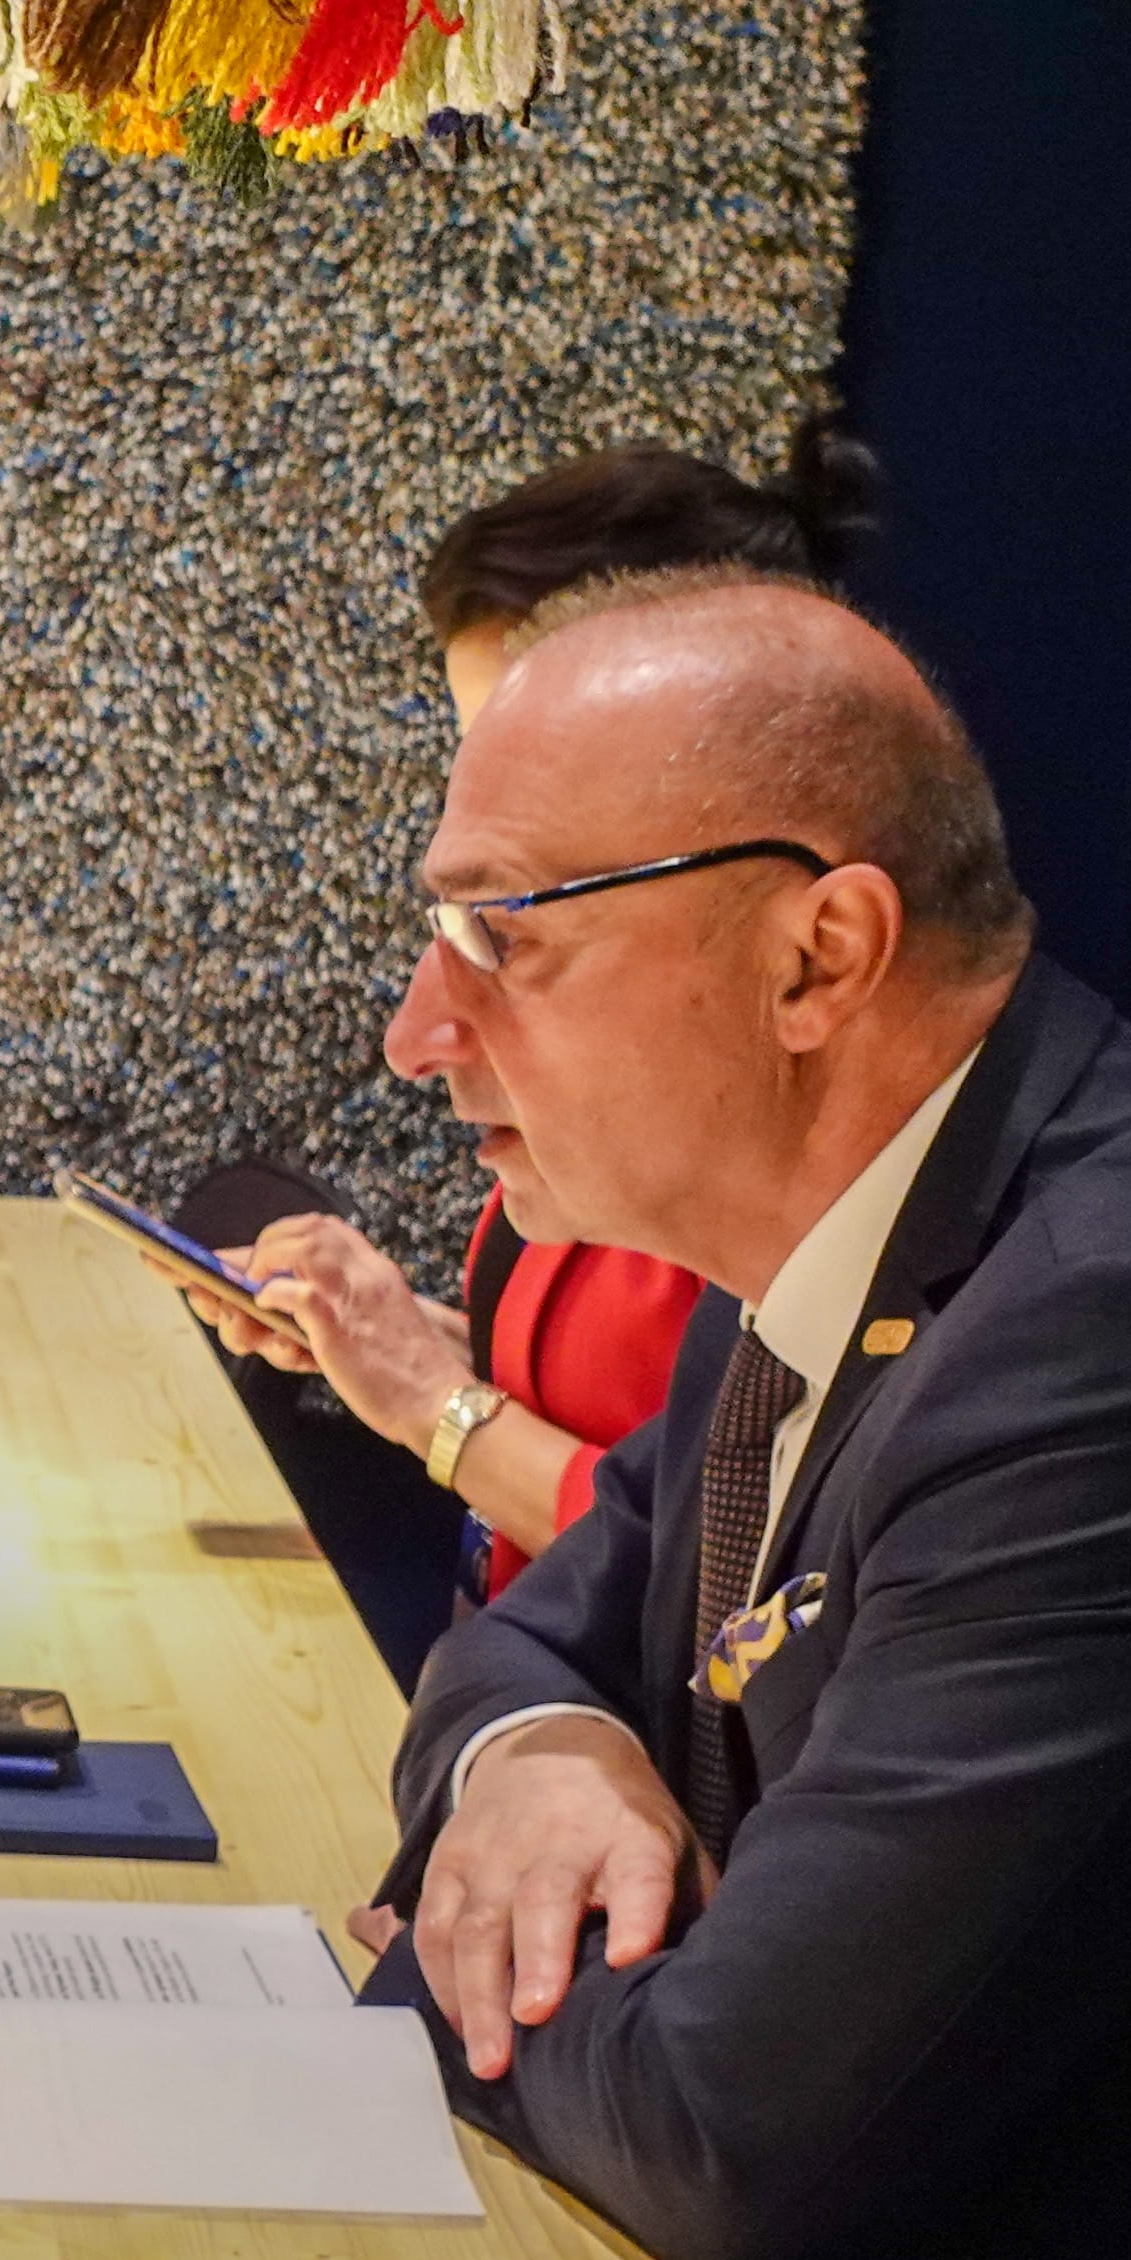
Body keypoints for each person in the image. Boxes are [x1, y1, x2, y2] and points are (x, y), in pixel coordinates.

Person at [350, 567, 1131, 2260]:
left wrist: (434, 1946)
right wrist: (534, 1759)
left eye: (499, 933)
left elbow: (730, 2123)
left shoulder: (1121, 1330)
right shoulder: (843, 1206)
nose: (414, 1029)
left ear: (817, 956)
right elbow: (548, 1625)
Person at [157, 436, 873, 1676]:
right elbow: (621, 1421)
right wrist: (378, 1336)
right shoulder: (595, 1095)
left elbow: (737, 1574)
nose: (419, 1043)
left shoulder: (776, 1158)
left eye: (532, 901)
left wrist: (432, 1408)